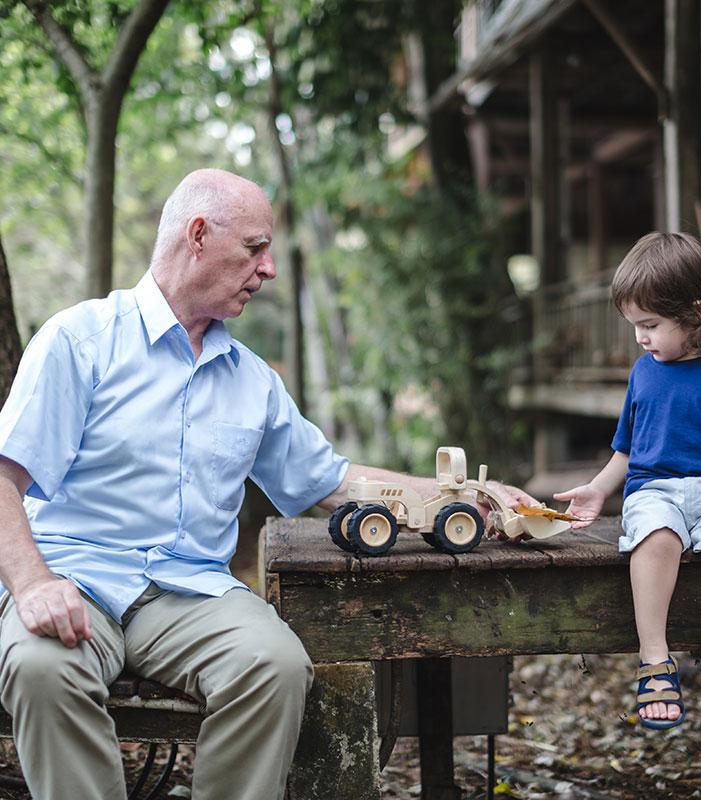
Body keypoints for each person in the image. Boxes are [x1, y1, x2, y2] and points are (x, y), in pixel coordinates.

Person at [0, 168, 535, 800]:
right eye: (255, 247)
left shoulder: (252, 380)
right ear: (198, 235)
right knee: (39, 669)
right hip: (75, 579)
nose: (269, 268)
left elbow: (333, 482)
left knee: (275, 664)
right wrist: (32, 584)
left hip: (190, 592)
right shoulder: (80, 341)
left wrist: (460, 496)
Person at [554, 232, 701, 748]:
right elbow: (627, 450)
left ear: (697, 312)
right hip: (655, 490)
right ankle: (656, 661)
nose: (640, 337)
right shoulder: (644, 373)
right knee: (655, 540)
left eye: (650, 325)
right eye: (636, 325)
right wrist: (597, 490)